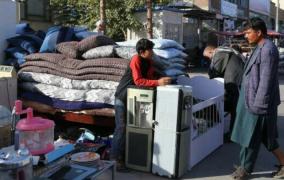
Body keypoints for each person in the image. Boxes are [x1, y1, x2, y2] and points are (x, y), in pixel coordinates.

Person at [230, 17, 284, 179]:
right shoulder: (260, 47)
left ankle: (245, 169)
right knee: (267, 139)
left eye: (248, 33)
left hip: (258, 103)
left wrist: (258, 107)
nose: (246, 36)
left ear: (259, 32)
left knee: (250, 137)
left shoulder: (268, 49)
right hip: (251, 100)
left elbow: (266, 81)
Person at [110, 38, 171, 170]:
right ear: (142, 52)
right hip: (123, 97)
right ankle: (114, 160)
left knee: (135, 128)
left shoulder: (148, 61)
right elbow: (138, 81)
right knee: (121, 128)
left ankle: (129, 157)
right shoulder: (135, 60)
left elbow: (149, 77)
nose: (152, 52)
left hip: (135, 98)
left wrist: (160, 80)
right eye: (150, 50)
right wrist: (158, 82)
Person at [203, 44, 244, 139]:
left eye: (207, 57)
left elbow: (215, 71)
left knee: (234, 107)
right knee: (235, 107)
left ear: (211, 51)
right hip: (235, 81)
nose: (209, 59)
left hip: (233, 82)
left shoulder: (219, 53)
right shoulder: (227, 51)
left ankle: (232, 134)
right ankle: (233, 132)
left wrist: (209, 82)